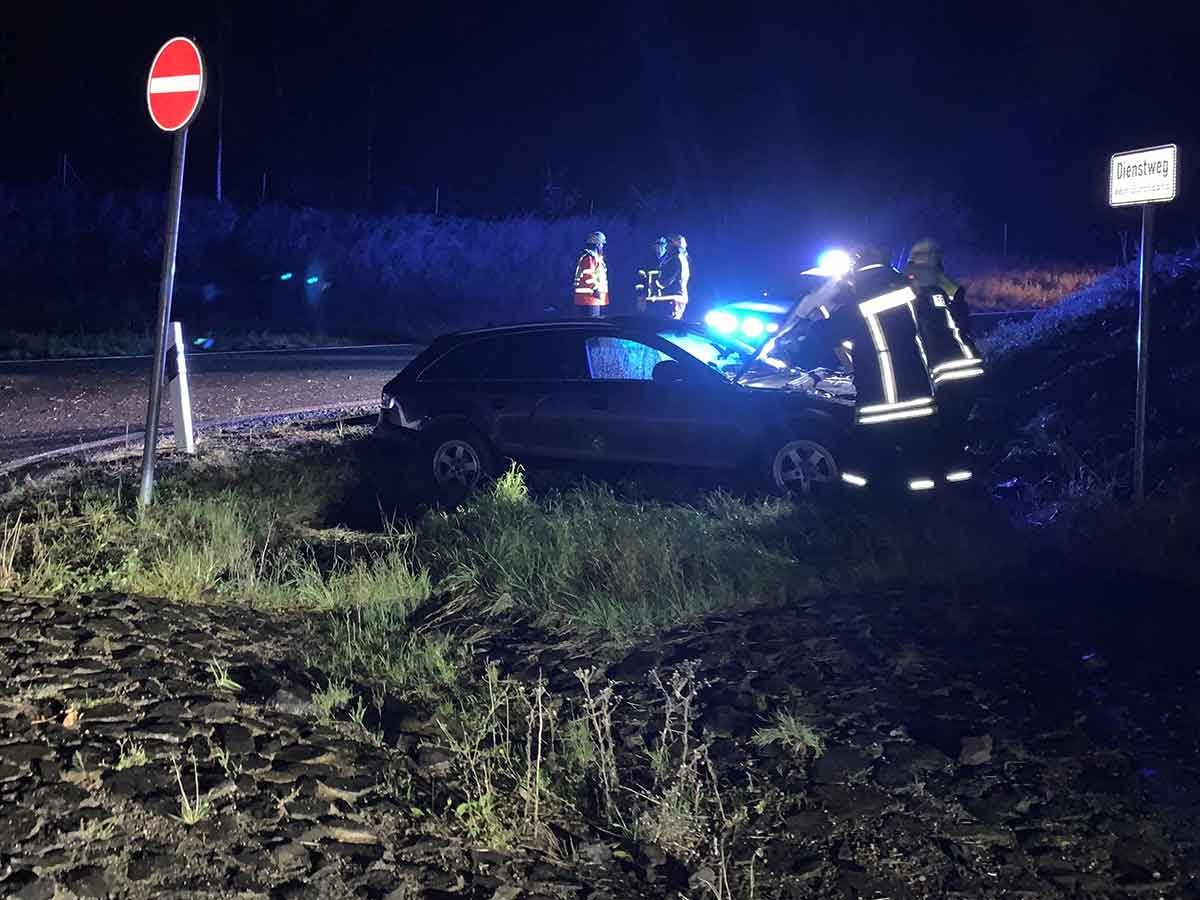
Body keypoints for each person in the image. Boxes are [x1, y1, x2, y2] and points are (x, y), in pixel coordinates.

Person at [903, 238, 983, 476]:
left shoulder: (919, 290)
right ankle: (961, 473)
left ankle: (949, 478)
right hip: (970, 364)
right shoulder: (946, 286)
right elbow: (963, 323)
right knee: (956, 427)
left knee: (945, 429)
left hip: (947, 372)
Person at [573, 231, 609, 318]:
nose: (602, 246)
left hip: (593, 298)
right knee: (591, 324)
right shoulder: (589, 258)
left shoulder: (595, 258)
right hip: (589, 298)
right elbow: (588, 276)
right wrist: (596, 289)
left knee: (593, 325)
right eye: (601, 244)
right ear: (597, 245)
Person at [655, 234, 690, 319]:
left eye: (662, 244)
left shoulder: (675, 260)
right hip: (675, 299)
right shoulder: (680, 258)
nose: (658, 248)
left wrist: (655, 282)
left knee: (667, 326)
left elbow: (665, 282)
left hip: (673, 300)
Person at [635, 236, 667, 313]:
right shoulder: (648, 259)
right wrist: (640, 294)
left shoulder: (669, 260)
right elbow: (641, 276)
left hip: (664, 296)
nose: (659, 247)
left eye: (662, 244)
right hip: (649, 296)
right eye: (658, 244)